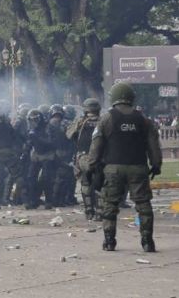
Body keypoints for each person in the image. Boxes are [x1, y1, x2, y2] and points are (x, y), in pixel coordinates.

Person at [87, 83, 162, 252]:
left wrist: (92, 165)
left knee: (110, 205)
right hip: (138, 167)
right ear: (131, 98)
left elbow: (96, 145)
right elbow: (153, 146)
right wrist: (156, 165)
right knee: (143, 205)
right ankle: (147, 241)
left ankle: (109, 241)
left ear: (113, 97)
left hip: (113, 168)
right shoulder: (143, 119)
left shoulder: (106, 118)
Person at [66, 98, 102, 220]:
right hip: (100, 158)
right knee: (100, 184)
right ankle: (99, 212)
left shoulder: (80, 121)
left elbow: (69, 135)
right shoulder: (104, 121)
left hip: (83, 157)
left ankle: (88, 211)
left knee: (86, 183)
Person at [25, 109, 56, 209]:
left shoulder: (48, 127)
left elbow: (51, 143)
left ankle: (49, 201)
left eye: (35, 120)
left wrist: (37, 138)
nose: (33, 122)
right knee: (31, 177)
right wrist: (25, 151)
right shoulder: (32, 130)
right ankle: (33, 200)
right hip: (36, 154)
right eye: (31, 120)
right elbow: (29, 143)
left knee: (47, 178)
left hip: (48, 154)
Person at [49, 105, 74, 207]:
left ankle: (55, 199)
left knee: (56, 177)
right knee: (63, 177)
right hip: (65, 152)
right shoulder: (66, 123)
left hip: (54, 152)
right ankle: (59, 200)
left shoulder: (49, 124)